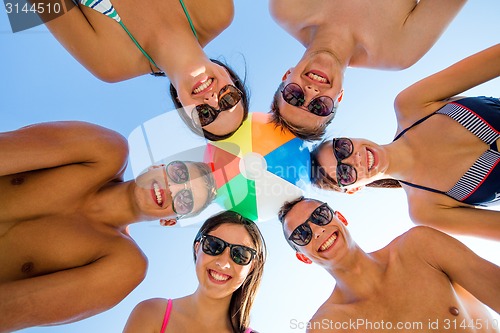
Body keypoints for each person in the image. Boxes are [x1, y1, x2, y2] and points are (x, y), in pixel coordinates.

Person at [0, 121, 216, 332]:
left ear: (169, 221)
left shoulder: (123, 266)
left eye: (185, 200)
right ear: (158, 166)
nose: (173, 189)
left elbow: (16, 309)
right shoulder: (104, 150)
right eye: (179, 174)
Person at [310, 44, 500, 240]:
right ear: (354, 189)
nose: (354, 158)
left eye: (342, 148)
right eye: (345, 173)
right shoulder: (426, 210)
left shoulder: (411, 104)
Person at [33, 0, 249, 140]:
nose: (212, 100)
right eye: (228, 99)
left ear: (184, 109)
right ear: (231, 79)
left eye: (204, 115)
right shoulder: (217, 11)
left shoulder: (110, 65)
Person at [278, 197, 500, 333]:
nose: (317, 230)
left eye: (320, 215)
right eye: (301, 234)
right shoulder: (328, 325)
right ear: (303, 257)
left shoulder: (420, 247)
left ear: (341, 218)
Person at [269, 0, 467, 141]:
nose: (311, 93)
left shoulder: (287, 8)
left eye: (294, 97)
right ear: (339, 97)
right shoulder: (398, 51)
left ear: (287, 75)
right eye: (320, 107)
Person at [123, 210, 266, 333]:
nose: (223, 264)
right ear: (197, 248)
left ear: (252, 267)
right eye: (214, 245)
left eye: (240, 254)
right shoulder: (151, 313)